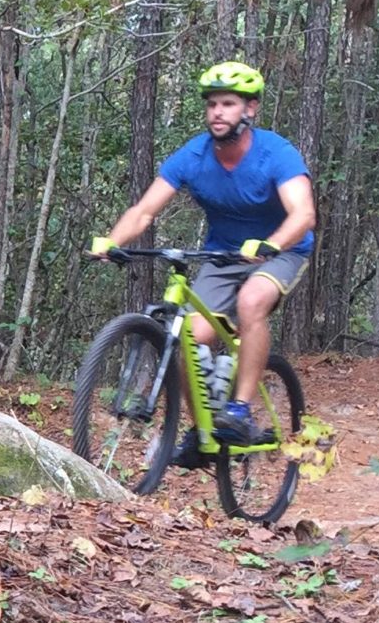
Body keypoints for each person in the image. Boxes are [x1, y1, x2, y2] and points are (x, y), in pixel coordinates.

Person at [90, 60, 318, 450]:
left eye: (228, 103)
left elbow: (303, 213)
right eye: (212, 104)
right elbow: (144, 210)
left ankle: (241, 410)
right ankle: (201, 433)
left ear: (250, 108)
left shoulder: (276, 153)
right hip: (223, 256)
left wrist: (272, 244)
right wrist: (112, 241)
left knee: (251, 301)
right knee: (188, 338)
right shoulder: (193, 157)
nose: (217, 112)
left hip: (282, 251)